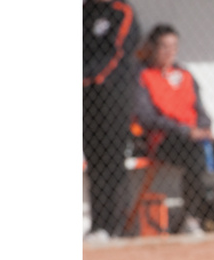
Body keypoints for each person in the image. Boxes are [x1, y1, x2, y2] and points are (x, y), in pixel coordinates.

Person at [135, 24, 214, 233]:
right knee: (195, 160)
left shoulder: (184, 75)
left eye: (174, 47)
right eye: (164, 47)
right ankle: (192, 219)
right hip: (165, 139)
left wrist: (204, 127)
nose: (169, 52)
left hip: (196, 136)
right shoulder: (144, 76)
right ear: (153, 49)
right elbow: (147, 117)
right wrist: (185, 131)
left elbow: (200, 110)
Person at [83, 0, 141, 240]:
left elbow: (118, 52)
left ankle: (114, 225)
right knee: (94, 161)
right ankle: (98, 225)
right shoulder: (84, 12)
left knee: (112, 160)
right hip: (87, 96)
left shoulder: (122, 12)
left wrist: (91, 77)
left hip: (113, 95)